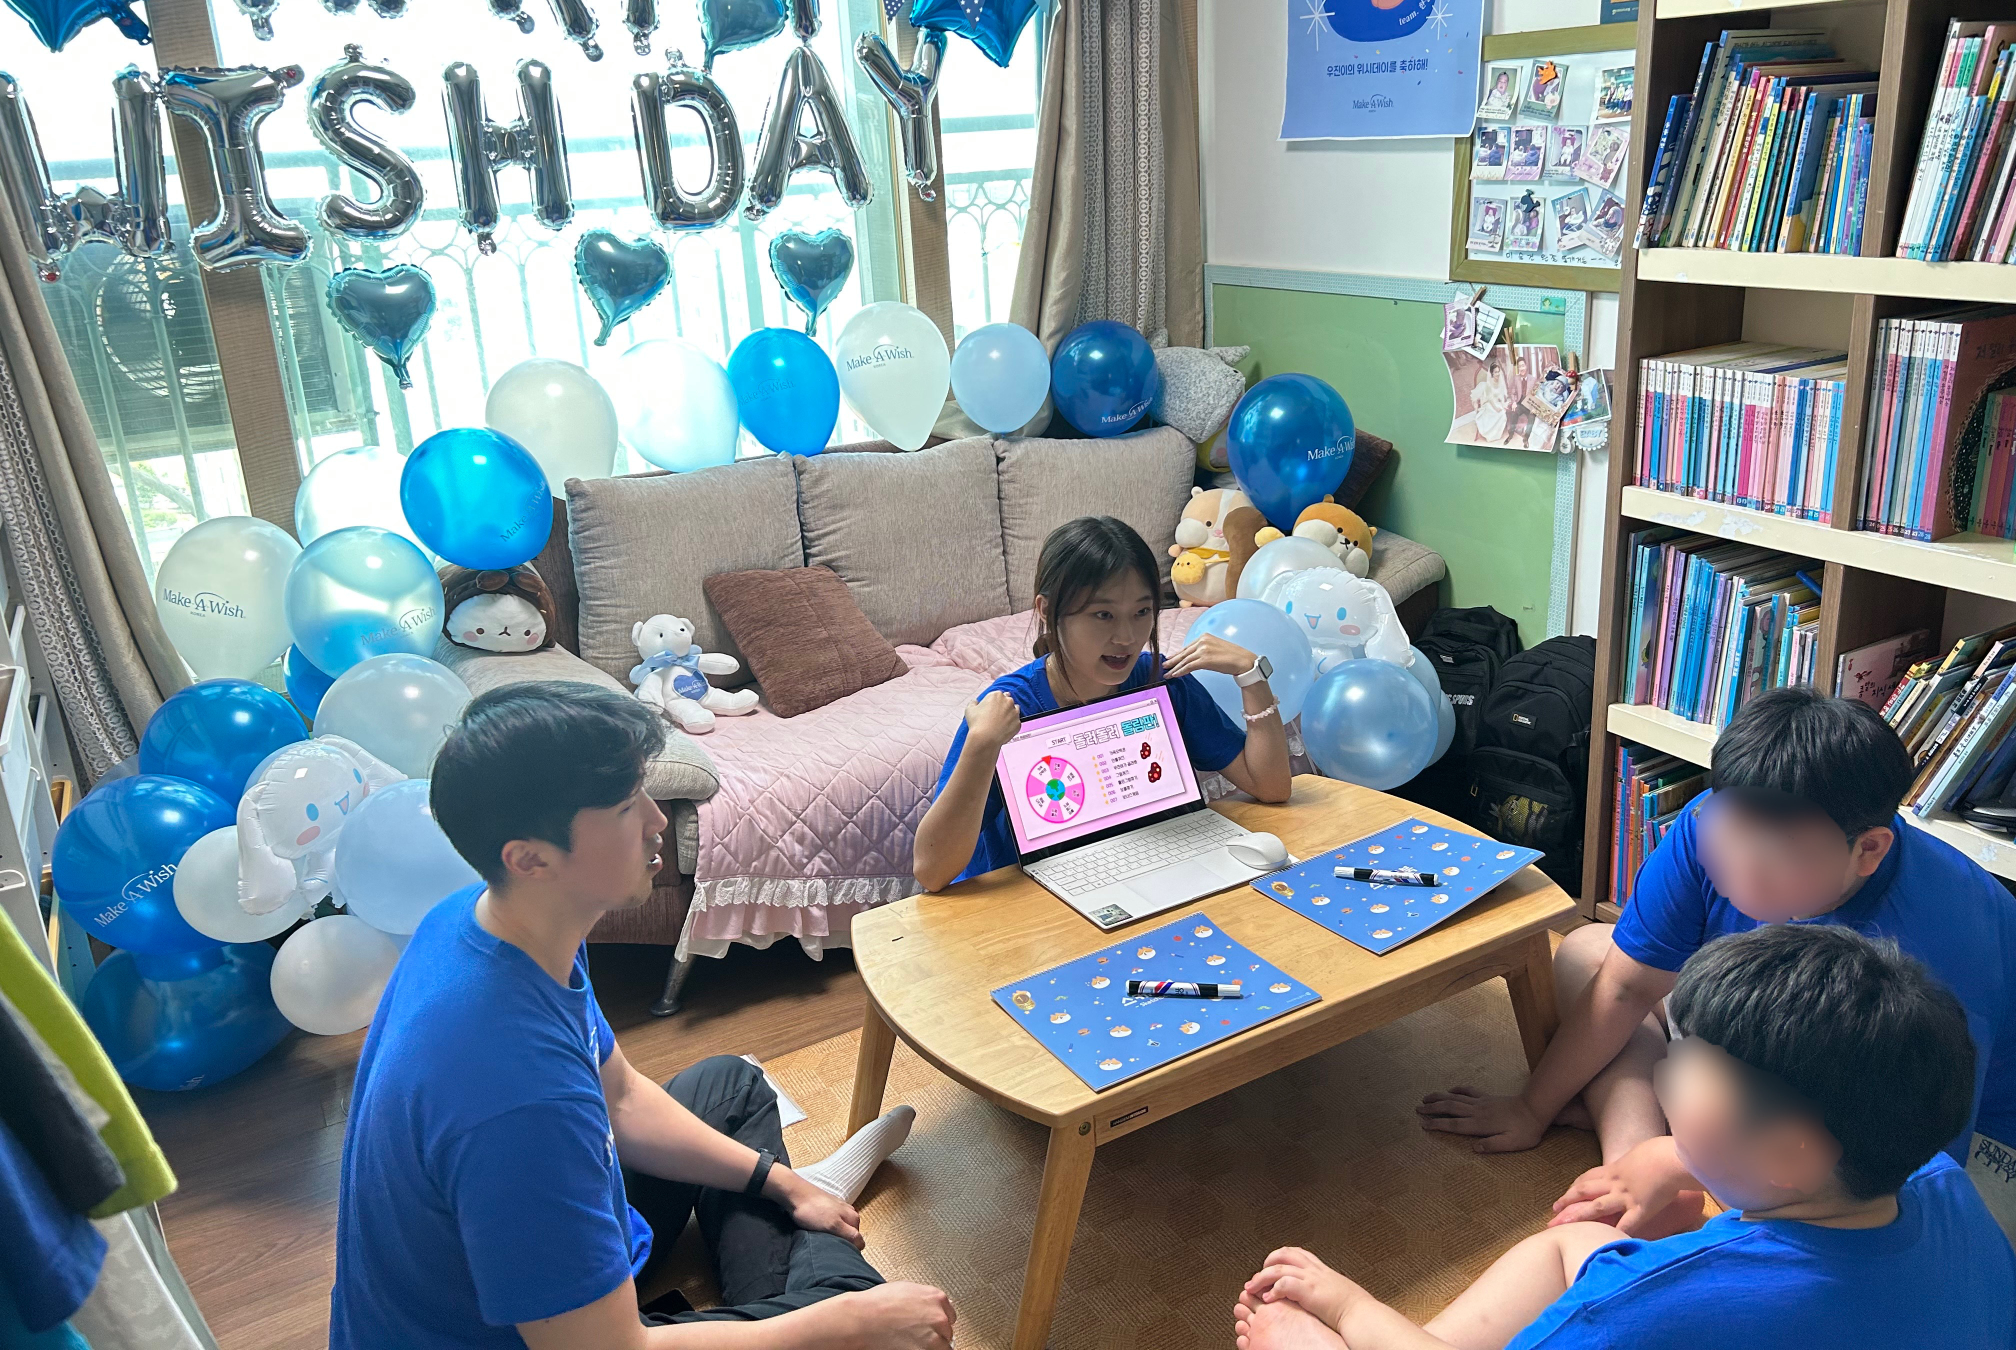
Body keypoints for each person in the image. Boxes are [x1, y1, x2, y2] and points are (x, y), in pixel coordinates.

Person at [328, 683, 955, 1350]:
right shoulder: (519, 1100)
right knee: (868, 1321)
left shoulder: (495, 920)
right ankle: (822, 1280)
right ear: (531, 858)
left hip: (525, 1256)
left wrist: (780, 1183)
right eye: (629, 806)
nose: (659, 820)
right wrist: (856, 1322)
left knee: (732, 1086)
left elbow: (620, 1096)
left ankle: (803, 1202)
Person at [1416, 686, 2016, 1240]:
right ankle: (1630, 1170)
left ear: (1869, 850)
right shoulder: (1718, 816)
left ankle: (1669, 1172)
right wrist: (1531, 1108)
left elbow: (1905, 1161)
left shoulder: (1938, 943)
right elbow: (1624, 988)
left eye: (1776, 862)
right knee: (1588, 952)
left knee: (1855, 1239)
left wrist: (1682, 1159)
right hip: (1779, 1040)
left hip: (1915, 1122)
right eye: (1729, 840)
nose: (1739, 874)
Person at [1233, 925, 2016, 1349]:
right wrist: (1673, 1156)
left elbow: (1643, 1308)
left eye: (1690, 1063)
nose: (1667, 1067)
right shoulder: (1936, 1180)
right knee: (1569, 1246)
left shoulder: (1638, 1307)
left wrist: (1350, 1307)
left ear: (1787, 1154)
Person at [911, 515, 1292, 892]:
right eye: (1103, 615)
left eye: (1142, 612)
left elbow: (1271, 787)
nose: (1126, 637)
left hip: (1153, 872)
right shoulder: (1008, 709)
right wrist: (981, 745)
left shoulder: (1162, 681)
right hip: (1036, 897)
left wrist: (1252, 676)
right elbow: (931, 871)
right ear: (1047, 611)